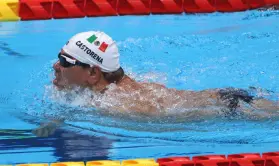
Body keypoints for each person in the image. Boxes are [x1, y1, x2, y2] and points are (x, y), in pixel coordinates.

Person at [33, 31, 279, 137]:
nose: (56, 66)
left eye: (65, 62)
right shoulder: (116, 87)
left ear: (93, 74)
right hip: (225, 97)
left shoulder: (115, 105)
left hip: (234, 109)